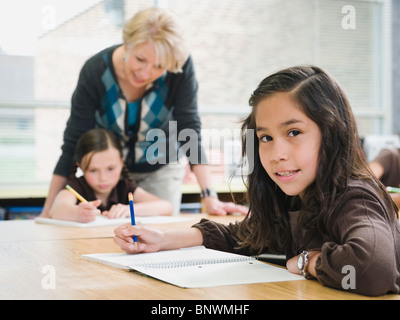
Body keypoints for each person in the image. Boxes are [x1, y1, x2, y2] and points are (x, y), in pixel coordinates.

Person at [113, 66, 400, 296]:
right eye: (265, 138)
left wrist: (306, 262)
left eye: (294, 133)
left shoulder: (355, 196)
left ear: (332, 132)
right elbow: (246, 236)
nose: (277, 154)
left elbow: (373, 268)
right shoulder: (294, 196)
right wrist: (164, 239)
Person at [40, 7, 248, 217]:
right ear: (126, 44)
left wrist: (209, 196)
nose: (146, 73)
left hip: (160, 167)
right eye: (140, 59)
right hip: (111, 172)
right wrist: (47, 212)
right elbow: (74, 141)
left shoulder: (179, 68)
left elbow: (189, 129)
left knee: (158, 235)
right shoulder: (96, 71)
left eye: (159, 66)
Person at [48, 128, 172, 223]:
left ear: (121, 163)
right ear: (81, 167)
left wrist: (129, 210)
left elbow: (166, 207)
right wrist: (76, 213)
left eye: (111, 169)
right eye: (93, 170)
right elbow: (56, 209)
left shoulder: (124, 187)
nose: (103, 178)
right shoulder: (76, 186)